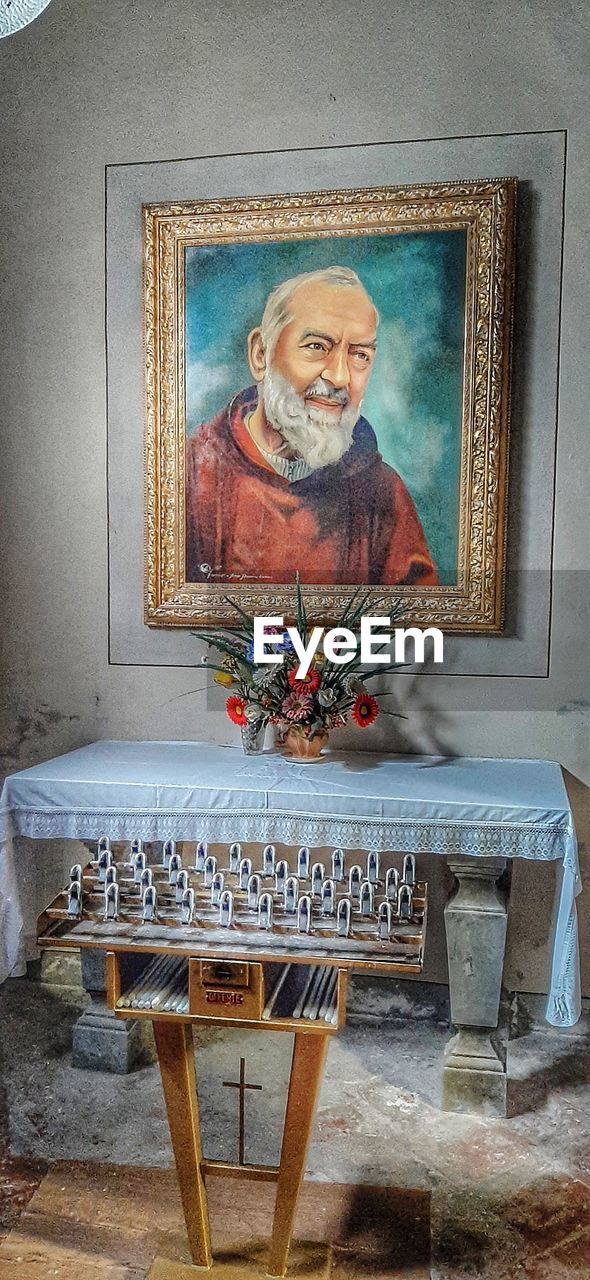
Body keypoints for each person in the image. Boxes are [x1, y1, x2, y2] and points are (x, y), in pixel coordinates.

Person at [185, 265, 438, 586]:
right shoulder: (192, 474)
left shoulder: (381, 493)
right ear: (261, 354)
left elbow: (418, 620)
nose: (340, 377)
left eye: (360, 355)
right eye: (317, 346)